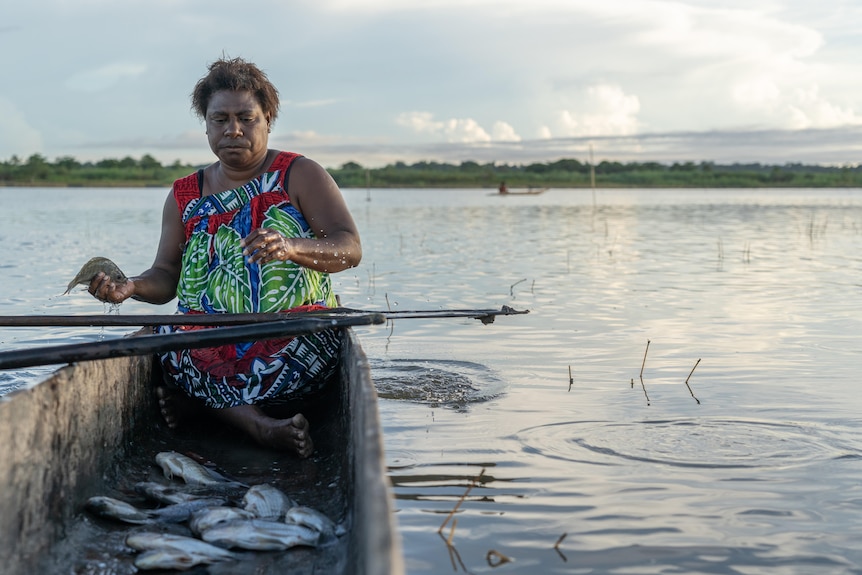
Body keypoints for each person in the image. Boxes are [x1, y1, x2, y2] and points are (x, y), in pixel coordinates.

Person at [87, 57, 362, 458]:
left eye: (246, 118)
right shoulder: (185, 193)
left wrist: (291, 246)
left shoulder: (300, 175)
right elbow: (166, 276)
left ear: (267, 118)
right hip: (208, 346)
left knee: (308, 347)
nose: (233, 129)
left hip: (291, 343)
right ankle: (257, 425)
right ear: (206, 125)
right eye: (220, 119)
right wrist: (131, 288)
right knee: (162, 335)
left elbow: (349, 248)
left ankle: (208, 407)